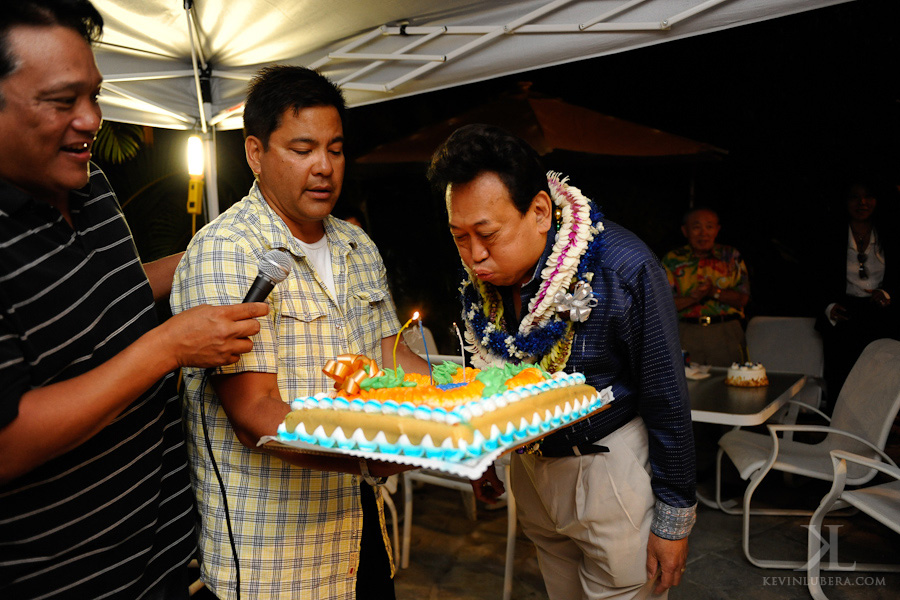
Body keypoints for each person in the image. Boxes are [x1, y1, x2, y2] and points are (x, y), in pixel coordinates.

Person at [0, 2, 268, 598]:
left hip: (171, 557)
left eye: (94, 95)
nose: (91, 119)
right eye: (61, 101)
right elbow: (8, 441)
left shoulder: (90, 180)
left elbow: (109, 287)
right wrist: (168, 347)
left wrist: (206, 256)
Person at [170, 65, 428, 600]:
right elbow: (253, 413)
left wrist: (472, 406)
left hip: (360, 531)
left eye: (334, 149)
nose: (324, 167)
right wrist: (367, 452)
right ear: (255, 153)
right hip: (274, 555)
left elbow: (392, 357)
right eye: (303, 148)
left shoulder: (357, 246)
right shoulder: (227, 250)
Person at [428, 124, 696, 599]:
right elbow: (481, 373)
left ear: (538, 210)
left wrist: (674, 521)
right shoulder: (479, 278)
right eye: (458, 237)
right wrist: (483, 456)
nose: (473, 255)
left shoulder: (622, 267)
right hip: (530, 471)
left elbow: (666, 396)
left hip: (606, 469)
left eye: (486, 234)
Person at [816, 182, 899, 401]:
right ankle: (840, 433)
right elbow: (813, 276)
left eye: (868, 196)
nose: (862, 203)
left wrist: (888, 293)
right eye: (855, 197)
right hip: (844, 315)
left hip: (882, 315)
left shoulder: (890, 232)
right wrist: (828, 306)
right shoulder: (829, 234)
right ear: (845, 201)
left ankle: (877, 434)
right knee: (843, 382)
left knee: (880, 381)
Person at [661, 207, 750, 366]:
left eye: (709, 227)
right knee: (687, 386)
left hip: (725, 331)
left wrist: (713, 292)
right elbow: (662, 305)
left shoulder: (730, 256)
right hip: (685, 332)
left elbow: (743, 298)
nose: (703, 233)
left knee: (730, 384)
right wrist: (693, 298)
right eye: (696, 227)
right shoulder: (672, 259)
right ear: (685, 231)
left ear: (717, 230)